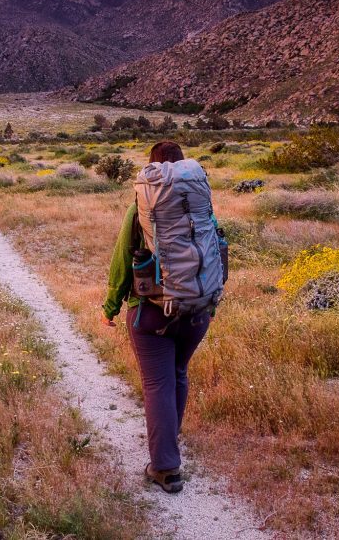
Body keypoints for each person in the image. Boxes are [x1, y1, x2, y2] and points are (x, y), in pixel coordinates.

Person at [102, 140, 213, 494]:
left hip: (151, 313)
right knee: (178, 373)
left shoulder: (142, 208)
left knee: (157, 384)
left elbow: (122, 262)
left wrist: (110, 308)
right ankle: (168, 442)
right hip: (196, 309)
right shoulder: (200, 205)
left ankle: (165, 467)